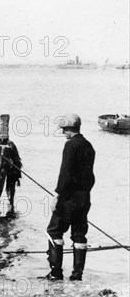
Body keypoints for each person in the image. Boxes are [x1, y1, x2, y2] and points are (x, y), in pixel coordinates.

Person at [46, 113, 95, 281]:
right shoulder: (89, 146)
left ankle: (56, 273)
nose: (62, 133)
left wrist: (57, 195)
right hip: (84, 198)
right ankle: (77, 275)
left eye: (64, 130)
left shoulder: (70, 146)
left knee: (54, 231)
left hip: (69, 198)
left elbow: (65, 173)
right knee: (79, 234)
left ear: (69, 129)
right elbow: (90, 176)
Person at [0, 136, 22, 215]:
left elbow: (17, 160)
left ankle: (11, 202)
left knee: (11, 186)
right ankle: (10, 203)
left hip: (13, 168)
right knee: (10, 186)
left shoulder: (11, 145)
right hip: (10, 166)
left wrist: (17, 175)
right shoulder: (6, 145)